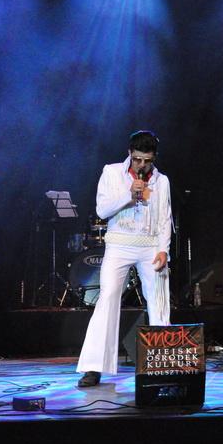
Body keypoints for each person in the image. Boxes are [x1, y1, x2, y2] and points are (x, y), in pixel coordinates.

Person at [77, 131, 172, 387]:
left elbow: (165, 218)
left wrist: (163, 249)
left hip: (150, 245)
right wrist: (129, 195)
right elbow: (102, 210)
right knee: (107, 298)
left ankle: (163, 364)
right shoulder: (111, 173)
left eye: (147, 161)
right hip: (119, 244)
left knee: (159, 300)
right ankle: (94, 367)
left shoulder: (161, 181)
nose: (142, 165)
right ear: (130, 153)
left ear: (154, 158)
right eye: (138, 159)